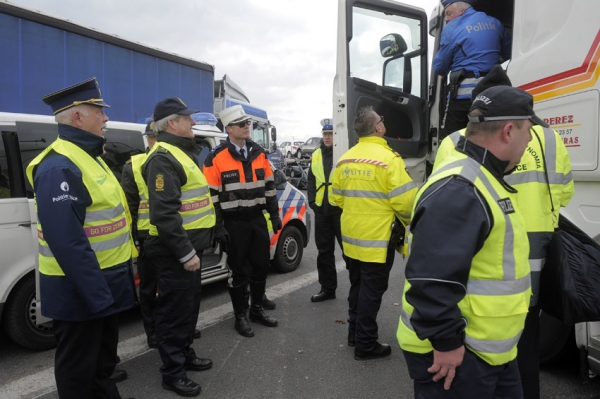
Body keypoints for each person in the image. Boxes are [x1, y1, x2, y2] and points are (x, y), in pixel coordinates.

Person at [434, 66, 575, 399]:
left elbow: (443, 202)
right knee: (526, 336)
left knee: (480, 343)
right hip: (535, 254)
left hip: (484, 258)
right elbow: (565, 192)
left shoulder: (453, 142)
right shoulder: (549, 138)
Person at [398, 85, 546, 398]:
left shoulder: (481, 177)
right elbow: (430, 280)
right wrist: (447, 343)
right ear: (508, 131)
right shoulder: (461, 188)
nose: (530, 139)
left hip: (487, 352)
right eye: (528, 131)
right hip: (460, 356)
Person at [26, 77, 137, 398]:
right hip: (82, 294)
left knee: (102, 366)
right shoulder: (58, 166)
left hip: (102, 288)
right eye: (98, 111)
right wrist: (100, 298)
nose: (105, 118)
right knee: (79, 373)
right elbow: (67, 243)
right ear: (77, 116)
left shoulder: (88, 156)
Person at [142, 97, 215, 397]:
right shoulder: (162, 158)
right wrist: (186, 254)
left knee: (187, 309)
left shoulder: (179, 153)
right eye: (188, 118)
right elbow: (164, 214)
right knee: (174, 312)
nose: (194, 123)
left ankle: (184, 354)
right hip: (176, 253)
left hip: (188, 251)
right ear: (172, 123)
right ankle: (172, 373)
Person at [332, 106, 417, 359]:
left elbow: (336, 199)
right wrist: (406, 221)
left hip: (352, 238)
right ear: (378, 128)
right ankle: (365, 344)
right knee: (372, 291)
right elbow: (406, 203)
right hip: (378, 240)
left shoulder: (345, 158)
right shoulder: (389, 159)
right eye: (382, 119)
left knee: (357, 286)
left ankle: (354, 334)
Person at [203, 105, 280, 338]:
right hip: (233, 224)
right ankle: (240, 316)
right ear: (228, 129)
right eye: (241, 124)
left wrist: (274, 214)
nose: (247, 126)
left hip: (257, 220)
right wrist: (218, 227)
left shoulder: (259, 153)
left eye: (248, 123)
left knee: (261, 266)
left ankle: (256, 309)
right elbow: (211, 197)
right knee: (237, 272)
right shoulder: (215, 158)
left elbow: (269, 187)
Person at [434, 0, 511, 138]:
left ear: (461, 10)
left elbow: (440, 68)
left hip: (462, 97)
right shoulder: (496, 23)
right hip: (491, 95)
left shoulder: (451, 28)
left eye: (448, 13)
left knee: (451, 140)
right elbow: (509, 53)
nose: (446, 19)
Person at [121, 123, 159, 348]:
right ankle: (152, 331)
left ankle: (175, 327)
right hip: (147, 238)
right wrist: (136, 240)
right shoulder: (133, 166)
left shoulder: (174, 160)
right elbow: (131, 208)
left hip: (172, 236)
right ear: (147, 140)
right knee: (148, 288)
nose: (155, 141)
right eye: (152, 137)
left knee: (173, 287)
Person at [307, 120, 345, 302]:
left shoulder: (343, 154)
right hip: (321, 210)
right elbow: (311, 180)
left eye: (330, 134)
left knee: (350, 251)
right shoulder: (315, 155)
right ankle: (327, 289)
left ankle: (358, 289)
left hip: (340, 209)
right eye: (325, 134)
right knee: (324, 252)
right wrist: (313, 203)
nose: (328, 137)